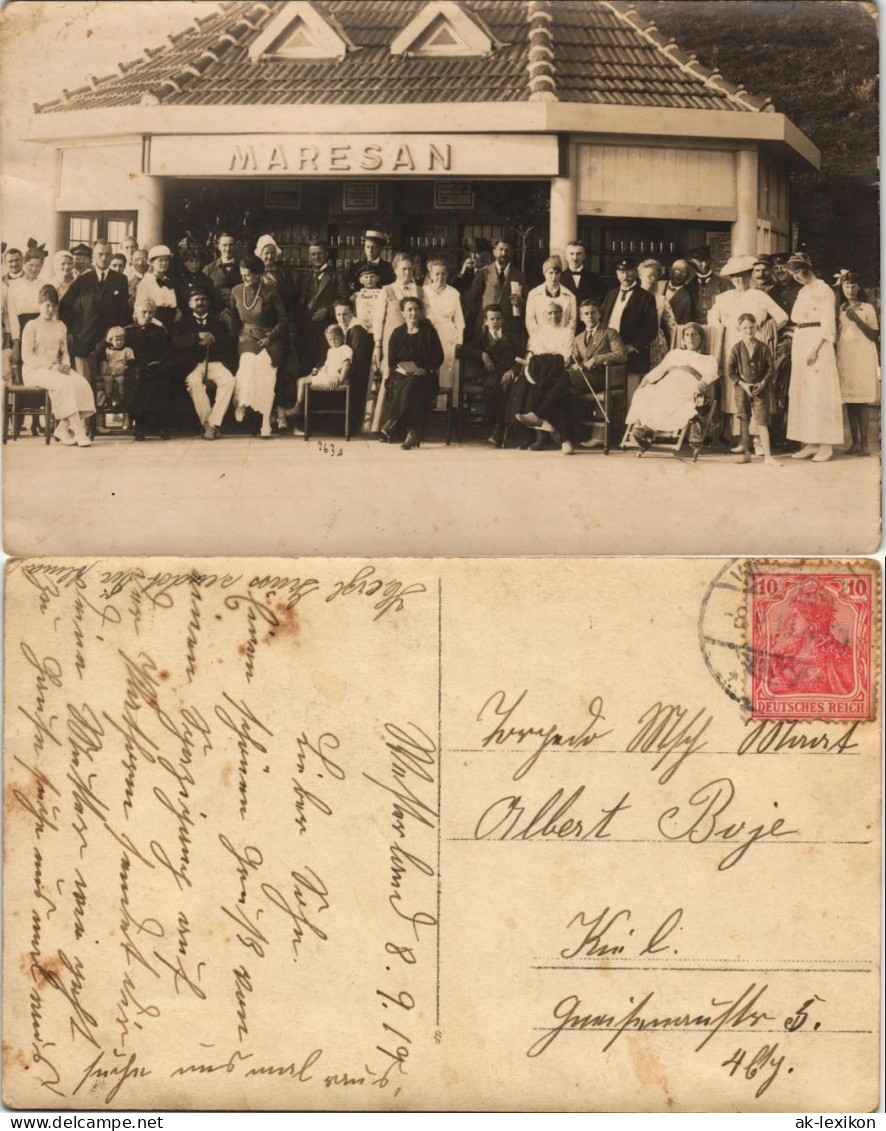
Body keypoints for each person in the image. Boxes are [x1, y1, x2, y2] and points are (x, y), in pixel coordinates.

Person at [518, 299, 627, 455]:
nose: (590, 316)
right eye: (586, 314)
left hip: (602, 376)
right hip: (582, 378)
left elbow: (621, 354)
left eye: (593, 313)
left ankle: (540, 414)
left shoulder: (610, 333)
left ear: (599, 314)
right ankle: (566, 442)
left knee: (565, 376)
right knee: (564, 395)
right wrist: (575, 365)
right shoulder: (578, 338)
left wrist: (596, 359)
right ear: (581, 317)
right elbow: (573, 359)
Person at [708, 254, 788, 445]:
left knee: (755, 390)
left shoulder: (759, 296)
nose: (740, 280)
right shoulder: (723, 298)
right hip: (732, 347)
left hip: (754, 348)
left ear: (750, 276)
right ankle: (742, 440)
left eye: (743, 275)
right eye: (735, 276)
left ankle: (758, 440)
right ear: (731, 279)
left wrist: (765, 332)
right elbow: (712, 321)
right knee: (735, 392)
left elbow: (782, 317)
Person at [784, 252, 843, 462]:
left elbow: (828, 323)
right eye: (794, 274)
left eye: (799, 271)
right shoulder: (803, 292)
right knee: (805, 394)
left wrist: (815, 348)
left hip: (818, 343)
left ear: (807, 268)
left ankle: (826, 445)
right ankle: (810, 442)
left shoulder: (824, 289)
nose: (797, 276)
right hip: (801, 341)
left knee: (820, 393)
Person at [20, 284, 95, 446]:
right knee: (66, 384)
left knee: (81, 383)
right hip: (35, 371)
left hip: (57, 369)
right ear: (39, 304)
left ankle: (61, 429)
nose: (50, 309)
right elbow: (27, 356)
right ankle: (79, 433)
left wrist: (66, 365)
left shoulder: (60, 326)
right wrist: (51, 366)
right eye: (47, 305)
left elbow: (64, 352)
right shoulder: (31, 326)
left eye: (54, 305)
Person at [625, 322, 718, 452]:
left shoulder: (709, 359)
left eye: (694, 335)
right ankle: (644, 429)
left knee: (673, 398)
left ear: (701, 338)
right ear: (683, 338)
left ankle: (648, 431)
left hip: (689, 384)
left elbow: (712, 373)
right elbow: (661, 369)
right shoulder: (675, 353)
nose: (690, 338)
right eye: (687, 335)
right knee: (645, 393)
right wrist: (646, 380)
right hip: (669, 382)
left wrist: (703, 382)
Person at [229, 253, 288, 438]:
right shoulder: (236, 291)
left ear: (258, 274)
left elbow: (283, 319)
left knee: (267, 373)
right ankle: (241, 402)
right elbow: (233, 318)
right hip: (246, 337)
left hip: (269, 337)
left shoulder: (270, 290)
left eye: (248, 275)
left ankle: (265, 422)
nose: (244, 278)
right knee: (248, 363)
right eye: (242, 274)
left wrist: (270, 338)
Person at [58, 240, 131, 385]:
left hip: (111, 341)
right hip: (84, 339)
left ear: (111, 256)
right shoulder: (83, 279)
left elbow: (124, 310)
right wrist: (72, 331)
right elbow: (65, 306)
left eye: (107, 254)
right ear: (93, 257)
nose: (104, 258)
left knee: (110, 379)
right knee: (84, 382)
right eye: (100, 254)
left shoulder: (121, 280)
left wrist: (118, 333)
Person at [175, 282, 237, 441]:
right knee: (194, 384)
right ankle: (208, 424)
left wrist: (213, 339)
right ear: (189, 304)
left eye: (203, 299)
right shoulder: (182, 323)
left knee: (229, 381)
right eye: (196, 299)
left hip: (215, 363)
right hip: (194, 364)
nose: (200, 302)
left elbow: (227, 342)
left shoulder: (218, 321)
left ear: (208, 302)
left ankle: (212, 423)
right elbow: (176, 342)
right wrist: (197, 337)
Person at [380, 296, 444, 450]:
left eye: (416, 309)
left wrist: (426, 369)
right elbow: (392, 362)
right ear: (402, 313)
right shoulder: (397, 334)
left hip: (426, 377)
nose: (413, 313)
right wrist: (403, 370)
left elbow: (439, 357)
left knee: (413, 383)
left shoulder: (429, 331)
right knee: (410, 384)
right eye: (409, 309)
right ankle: (412, 432)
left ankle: (393, 419)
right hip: (402, 376)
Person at [511, 301, 573, 451]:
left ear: (562, 314)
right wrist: (549, 357)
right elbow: (533, 357)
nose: (553, 316)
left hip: (558, 372)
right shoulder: (538, 333)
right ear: (544, 316)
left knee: (545, 389)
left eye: (556, 312)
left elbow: (565, 357)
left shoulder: (567, 332)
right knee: (526, 388)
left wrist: (546, 359)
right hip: (538, 372)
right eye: (549, 313)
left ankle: (543, 437)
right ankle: (534, 436)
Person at [370, 252, 421, 428]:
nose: (407, 273)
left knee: (410, 377)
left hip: (414, 340)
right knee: (389, 375)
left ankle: (407, 424)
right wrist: (377, 344)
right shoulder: (387, 290)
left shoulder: (419, 290)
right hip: (391, 340)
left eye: (410, 269)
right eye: (403, 269)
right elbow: (378, 319)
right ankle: (383, 423)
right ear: (395, 270)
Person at [459, 303, 522, 448]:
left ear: (503, 321)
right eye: (492, 319)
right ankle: (497, 426)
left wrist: (513, 370)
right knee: (490, 389)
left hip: (509, 373)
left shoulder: (512, 337)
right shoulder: (482, 339)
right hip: (492, 375)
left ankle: (500, 428)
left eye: (498, 319)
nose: (495, 322)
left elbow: (522, 357)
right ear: (486, 322)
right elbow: (463, 349)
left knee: (506, 388)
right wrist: (482, 354)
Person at [601, 256, 659, 403]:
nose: (625, 276)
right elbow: (603, 321)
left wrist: (634, 346)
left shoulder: (646, 297)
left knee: (632, 396)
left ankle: (630, 425)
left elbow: (651, 328)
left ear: (635, 273)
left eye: (629, 272)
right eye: (621, 272)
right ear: (617, 274)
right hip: (609, 352)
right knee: (608, 393)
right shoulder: (611, 295)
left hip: (633, 355)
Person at [727, 313, 779, 466]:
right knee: (744, 419)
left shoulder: (763, 348)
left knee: (762, 420)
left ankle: (768, 456)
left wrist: (763, 383)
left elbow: (771, 369)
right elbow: (731, 371)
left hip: (760, 389)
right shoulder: (737, 348)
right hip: (742, 389)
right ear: (739, 329)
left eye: (751, 327)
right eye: (745, 328)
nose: (748, 330)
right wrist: (743, 384)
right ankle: (746, 454)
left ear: (756, 328)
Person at [836, 273, 879, 456]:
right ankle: (854, 443)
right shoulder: (840, 308)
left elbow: (875, 335)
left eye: (853, 286)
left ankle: (865, 446)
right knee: (850, 402)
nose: (850, 290)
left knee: (861, 403)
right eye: (847, 286)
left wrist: (857, 319)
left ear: (859, 288)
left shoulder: (867, 308)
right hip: (846, 357)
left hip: (862, 357)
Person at [124, 297, 177, 440]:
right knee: (139, 379)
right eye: (144, 312)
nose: (147, 316)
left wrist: (159, 362)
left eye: (151, 313)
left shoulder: (159, 330)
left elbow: (168, 351)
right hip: (137, 367)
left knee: (164, 378)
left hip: (158, 367)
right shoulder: (127, 332)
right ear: (135, 312)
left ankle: (161, 424)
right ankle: (140, 424)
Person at [288, 323, 352, 432]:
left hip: (334, 378)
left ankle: (298, 407)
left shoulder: (345, 349)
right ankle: (300, 407)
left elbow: (346, 367)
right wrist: (319, 371)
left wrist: (340, 380)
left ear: (342, 337)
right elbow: (326, 366)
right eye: (330, 340)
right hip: (326, 375)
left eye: (335, 339)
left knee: (303, 382)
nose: (333, 342)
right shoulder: (330, 351)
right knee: (301, 380)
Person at [294, 239, 347, 371]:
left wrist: (328, 310)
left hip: (327, 332)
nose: (317, 257)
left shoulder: (337, 276)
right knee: (306, 367)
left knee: (326, 366)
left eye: (320, 253)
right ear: (309, 255)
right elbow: (296, 303)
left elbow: (345, 299)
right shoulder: (303, 277)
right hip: (306, 332)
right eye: (313, 254)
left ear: (327, 254)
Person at [464, 239, 526, 339]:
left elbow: (527, 300)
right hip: (487, 325)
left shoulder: (519, 275)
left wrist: (520, 302)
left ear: (512, 253)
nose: (503, 253)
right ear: (494, 252)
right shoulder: (484, 273)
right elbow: (472, 300)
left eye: (507, 250)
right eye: (501, 249)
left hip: (509, 327)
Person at [422, 259, 465, 398]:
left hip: (448, 333)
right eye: (437, 274)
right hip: (428, 333)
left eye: (443, 274)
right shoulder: (423, 292)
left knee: (448, 367)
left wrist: (460, 341)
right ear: (431, 274)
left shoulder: (454, 293)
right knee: (429, 367)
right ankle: (427, 403)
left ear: (447, 274)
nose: (440, 277)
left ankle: (446, 405)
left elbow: (459, 319)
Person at [332, 300, 373, 435]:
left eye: (345, 314)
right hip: (347, 369)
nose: (341, 318)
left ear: (352, 313)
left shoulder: (357, 330)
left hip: (356, 374)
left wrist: (343, 374)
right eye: (338, 315)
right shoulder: (341, 330)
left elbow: (358, 360)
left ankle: (347, 427)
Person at [525, 257, 577, 338]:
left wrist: (565, 337)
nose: (554, 277)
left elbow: (572, 321)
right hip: (540, 341)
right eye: (551, 273)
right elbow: (530, 321)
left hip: (562, 340)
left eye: (557, 273)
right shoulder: (534, 295)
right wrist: (540, 337)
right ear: (544, 273)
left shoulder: (569, 296)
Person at [135, 245, 179, 332]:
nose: (164, 263)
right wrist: (159, 325)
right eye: (160, 260)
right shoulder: (146, 282)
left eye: (166, 260)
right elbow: (140, 309)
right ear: (152, 262)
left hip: (172, 323)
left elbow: (173, 304)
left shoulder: (169, 281)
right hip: (154, 323)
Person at [638, 258, 672, 367]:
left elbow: (673, 326)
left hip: (657, 344)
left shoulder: (661, 299)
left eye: (656, 276)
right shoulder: (632, 298)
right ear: (640, 276)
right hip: (636, 342)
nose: (653, 279)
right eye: (649, 275)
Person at [174, 243, 222, 315]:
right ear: (185, 263)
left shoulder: (207, 280)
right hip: (184, 317)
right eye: (191, 261)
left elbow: (212, 302)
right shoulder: (179, 281)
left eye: (197, 261)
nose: (194, 264)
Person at [688, 245, 730, 322]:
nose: (704, 264)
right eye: (700, 261)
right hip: (695, 330)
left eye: (706, 260)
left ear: (711, 260)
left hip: (717, 328)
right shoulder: (688, 287)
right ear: (692, 263)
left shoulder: (725, 285)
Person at [95, 324, 134, 408]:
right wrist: (105, 370)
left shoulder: (126, 350)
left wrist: (126, 367)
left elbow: (131, 361)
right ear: (111, 340)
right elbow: (104, 360)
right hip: (110, 372)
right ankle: (108, 399)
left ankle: (121, 400)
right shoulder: (108, 350)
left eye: (122, 340)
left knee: (121, 382)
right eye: (117, 340)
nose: (120, 342)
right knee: (107, 381)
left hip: (121, 372)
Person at [560, 241, 603, 308]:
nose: (575, 258)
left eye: (578, 254)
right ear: (566, 256)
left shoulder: (594, 278)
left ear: (584, 256)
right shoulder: (559, 278)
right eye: (571, 254)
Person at [204, 232, 241, 305]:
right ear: (218, 246)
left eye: (231, 245)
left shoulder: (243, 267)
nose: (228, 249)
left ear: (236, 246)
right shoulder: (209, 270)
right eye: (224, 245)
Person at [660, 259, 696, 328]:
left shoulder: (688, 298)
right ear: (671, 271)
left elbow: (684, 325)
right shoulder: (658, 285)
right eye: (677, 269)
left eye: (684, 272)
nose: (679, 274)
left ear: (687, 277)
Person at [353, 263, 383, 335]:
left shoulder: (383, 293)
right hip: (362, 331)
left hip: (379, 329)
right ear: (361, 280)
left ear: (377, 278)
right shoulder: (356, 296)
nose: (369, 279)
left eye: (372, 276)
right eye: (366, 277)